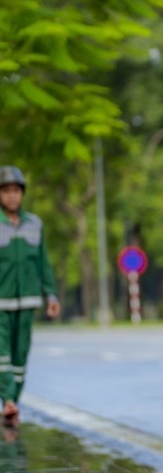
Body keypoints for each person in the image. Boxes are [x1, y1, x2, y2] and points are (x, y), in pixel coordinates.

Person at [0, 166, 60, 429]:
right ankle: (8, 400)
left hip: (28, 300)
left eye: (16, 190)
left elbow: (43, 262)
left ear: (22, 193)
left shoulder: (35, 224)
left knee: (20, 356)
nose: (11, 196)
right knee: (2, 355)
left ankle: (13, 402)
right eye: (6, 191)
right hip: (1, 302)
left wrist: (51, 294)